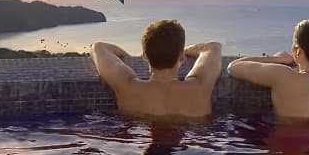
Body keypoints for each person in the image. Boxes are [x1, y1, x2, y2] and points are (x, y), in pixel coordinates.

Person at [90, 19, 222, 119]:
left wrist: (129, 57)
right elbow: (212, 47)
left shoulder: (127, 86)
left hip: (137, 146)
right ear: (181, 56)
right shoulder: (200, 86)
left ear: (145, 56)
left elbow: (98, 47)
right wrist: (181, 51)